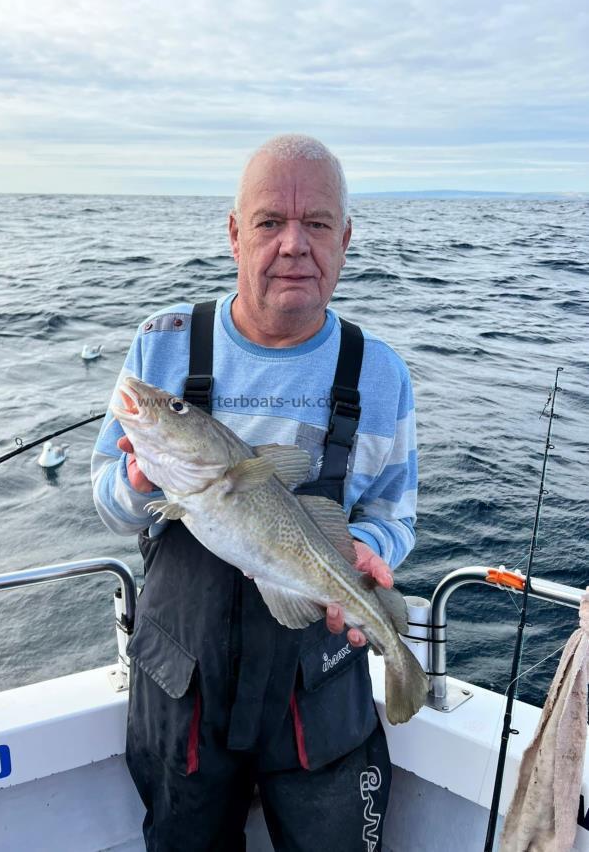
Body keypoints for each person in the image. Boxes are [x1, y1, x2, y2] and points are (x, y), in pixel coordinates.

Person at [92, 134, 418, 852]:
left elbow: (395, 511)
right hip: (181, 684)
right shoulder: (164, 343)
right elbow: (109, 507)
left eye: (318, 223)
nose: (294, 245)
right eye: (270, 222)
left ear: (345, 239)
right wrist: (139, 479)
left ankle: (400, 659)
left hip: (318, 680)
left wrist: (366, 548)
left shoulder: (381, 372)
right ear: (234, 234)